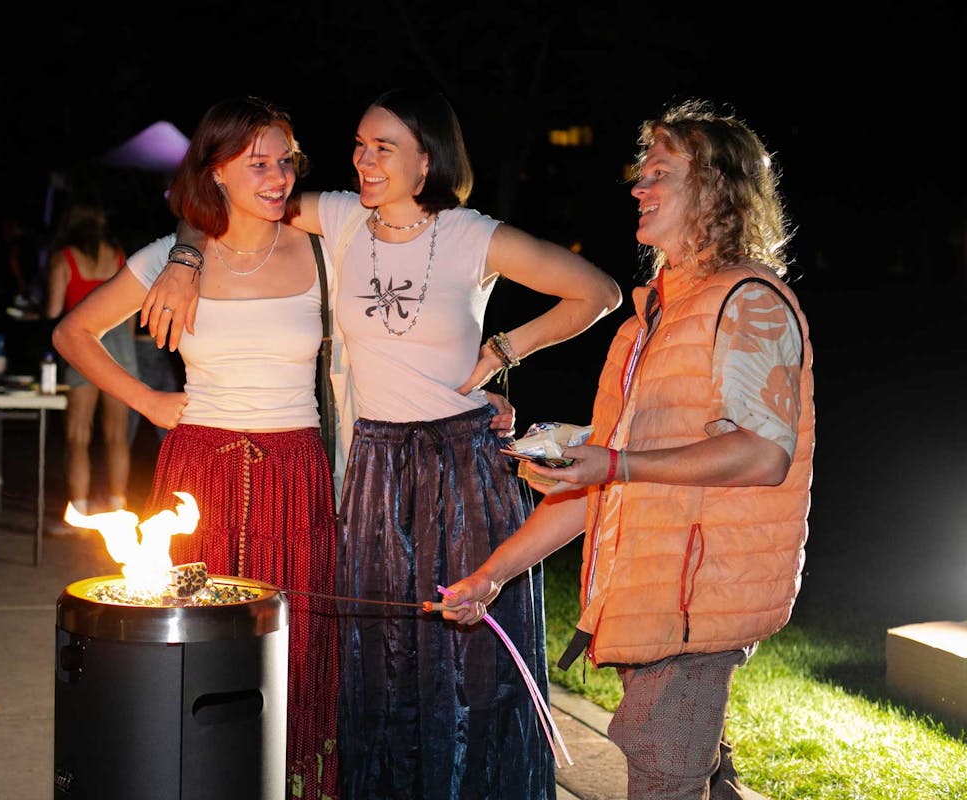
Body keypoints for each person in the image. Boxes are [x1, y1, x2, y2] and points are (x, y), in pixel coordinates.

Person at [141, 87, 622, 800]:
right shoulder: (338, 217)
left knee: (468, 663)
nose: (362, 160)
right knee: (380, 662)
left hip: (462, 471)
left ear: (426, 161)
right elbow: (223, 197)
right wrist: (183, 259)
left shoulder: (471, 235)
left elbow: (599, 291)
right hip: (376, 470)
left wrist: (502, 349)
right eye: (359, 146)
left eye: (383, 148)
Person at [441, 99, 815, 800]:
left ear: (714, 189)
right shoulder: (651, 316)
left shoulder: (750, 302)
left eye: (660, 174)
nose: (638, 187)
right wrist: (490, 574)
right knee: (698, 775)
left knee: (660, 773)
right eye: (640, 172)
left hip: (701, 604)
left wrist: (616, 462)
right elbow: (604, 483)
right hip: (654, 599)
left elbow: (765, 454)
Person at [52, 96, 341, 799]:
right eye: (258, 164)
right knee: (194, 651)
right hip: (198, 476)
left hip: (296, 472)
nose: (278, 178)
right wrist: (149, 401)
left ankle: (289, 782)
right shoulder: (171, 258)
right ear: (215, 174)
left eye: (286, 162)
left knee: (297, 649)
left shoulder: (323, 245)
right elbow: (72, 334)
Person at [44, 203, 139, 518]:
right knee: (116, 434)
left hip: (82, 341)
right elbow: (130, 315)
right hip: (121, 345)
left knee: (78, 434)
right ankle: (117, 505)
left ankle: (81, 510)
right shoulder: (118, 255)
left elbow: (54, 310)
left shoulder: (65, 259)